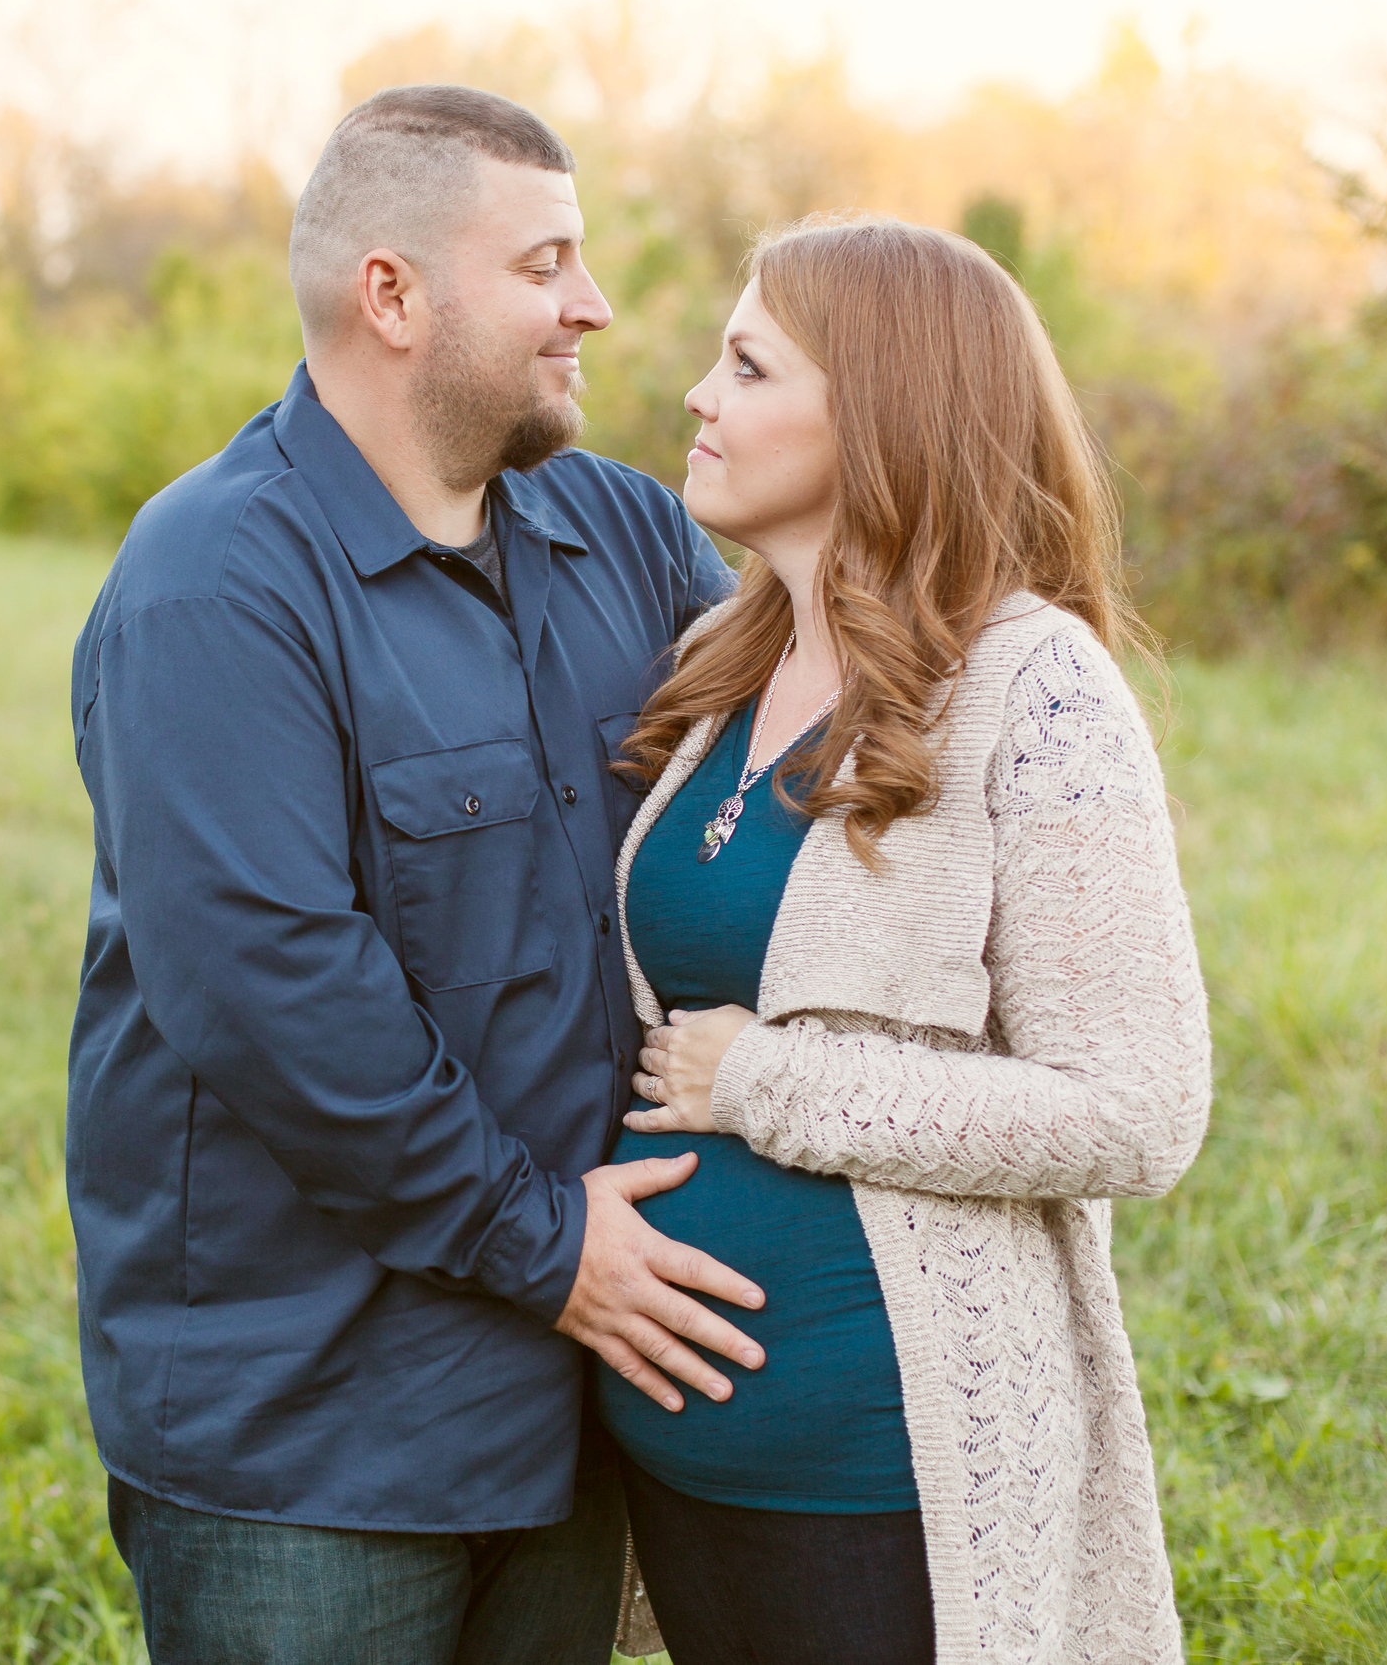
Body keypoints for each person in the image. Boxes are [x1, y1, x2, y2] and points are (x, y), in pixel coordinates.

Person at [67, 86, 759, 1664]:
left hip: (571, 1396)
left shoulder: (628, 534)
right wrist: (550, 1244)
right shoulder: (214, 582)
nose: (593, 305)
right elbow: (275, 993)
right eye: (544, 264)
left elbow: (782, 801)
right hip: (312, 1433)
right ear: (392, 295)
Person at [609, 214, 1212, 1665]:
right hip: (681, 1463)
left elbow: (1139, 1114)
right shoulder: (720, 660)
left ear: (879, 411)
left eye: (748, 364)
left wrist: (765, 1083)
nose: (698, 393)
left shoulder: (1036, 688)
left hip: (889, 1475)